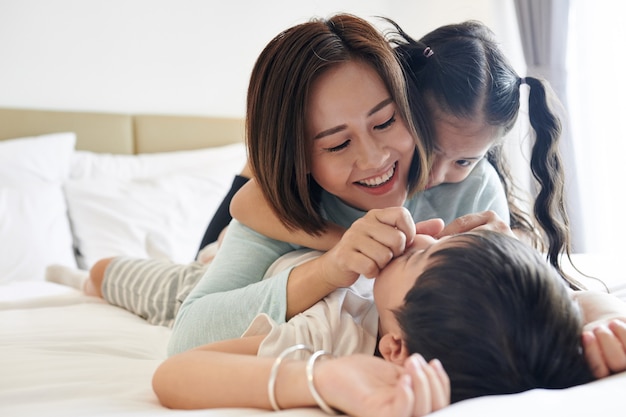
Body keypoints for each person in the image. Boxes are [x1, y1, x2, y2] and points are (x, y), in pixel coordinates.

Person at [230, 19, 578, 286]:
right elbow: (242, 204)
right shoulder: (334, 140)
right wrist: (346, 244)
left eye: (463, 161)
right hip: (238, 222)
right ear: (404, 98)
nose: (436, 174)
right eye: (430, 146)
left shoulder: (476, 186)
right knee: (208, 252)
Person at [153, 229, 619, 414]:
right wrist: (603, 320)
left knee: (105, 274)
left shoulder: (336, 334)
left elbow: (173, 374)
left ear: (394, 349)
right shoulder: (497, 322)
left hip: (214, 281)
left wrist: (319, 377)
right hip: (277, 251)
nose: (420, 238)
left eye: (423, 257)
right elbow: (581, 299)